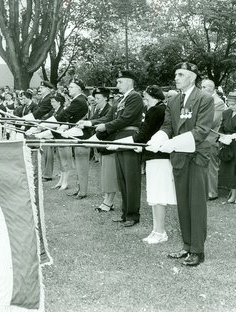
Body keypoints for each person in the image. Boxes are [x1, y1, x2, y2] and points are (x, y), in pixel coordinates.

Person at [153, 62, 214, 266]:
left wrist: (171, 143)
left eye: (181, 74)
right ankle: (187, 245)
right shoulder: (173, 100)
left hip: (196, 156)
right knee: (183, 203)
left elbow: (202, 130)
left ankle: (198, 250)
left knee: (195, 203)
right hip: (179, 157)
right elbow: (168, 125)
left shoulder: (204, 98)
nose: (176, 77)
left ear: (192, 77)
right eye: (176, 74)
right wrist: (159, 138)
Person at [79, 70, 144, 226]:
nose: (117, 85)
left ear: (130, 82)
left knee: (131, 179)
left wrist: (105, 127)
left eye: (120, 82)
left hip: (129, 139)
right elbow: (109, 116)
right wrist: (90, 123)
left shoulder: (134, 97)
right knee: (122, 179)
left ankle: (133, 215)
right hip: (119, 139)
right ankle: (125, 213)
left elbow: (125, 118)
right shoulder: (121, 99)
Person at [132, 85, 177, 243]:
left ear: (153, 97)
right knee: (153, 195)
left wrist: (127, 143)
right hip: (152, 155)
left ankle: (160, 231)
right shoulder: (157, 109)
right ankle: (156, 229)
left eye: (145, 97)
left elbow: (144, 133)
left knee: (158, 195)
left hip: (159, 156)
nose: (144, 100)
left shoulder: (156, 110)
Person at [63, 78, 90, 199]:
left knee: (82, 163)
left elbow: (67, 115)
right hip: (77, 133)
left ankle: (83, 191)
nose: (69, 89)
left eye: (72, 87)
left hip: (82, 134)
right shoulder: (79, 99)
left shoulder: (79, 100)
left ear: (79, 88)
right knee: (79, 162)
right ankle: (80, 188)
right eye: (69, 87)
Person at [91, 87, 117, 212]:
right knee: (105, 175)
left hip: (110, 145)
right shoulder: (99, 109)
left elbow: (104, 122)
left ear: (106, 98)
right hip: (102, 146)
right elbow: (92, 121)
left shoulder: (111, 109)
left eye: (98, 98)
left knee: (110, 175)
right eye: (95, 98)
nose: (96, 101)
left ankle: (109, 201)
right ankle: (106, 199)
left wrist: (89, 124)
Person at [201, 79, 226, 200]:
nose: (202, 89)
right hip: (202, 138)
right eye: (201, 86)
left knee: (211, 166)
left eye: (205, 87)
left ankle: (212, 192)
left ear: (213, 89)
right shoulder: (203, 100)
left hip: (211, 138)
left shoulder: (218, 102)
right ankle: (205, 190)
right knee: (203, 166)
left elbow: (212, 122)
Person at [33, 81, 56, 182]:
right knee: (44, 150)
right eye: (40, 87)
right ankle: (45, 173)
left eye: (42, 87)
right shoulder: (44, 98)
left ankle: (48, 174)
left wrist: (39, 120)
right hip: (43, 124)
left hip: (48, 125)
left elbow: (47, 113)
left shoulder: (48, 99)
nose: (40, 89)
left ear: (48, 89)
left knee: (48, 151)